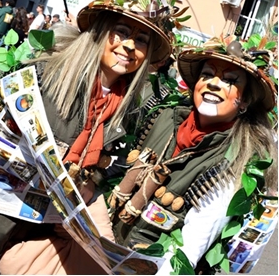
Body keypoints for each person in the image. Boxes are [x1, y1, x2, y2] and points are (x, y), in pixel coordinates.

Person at [0, 0, 182, 275]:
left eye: (142, 40)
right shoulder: (44, 77)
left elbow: (94, 185)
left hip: (24, 249)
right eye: (121, 32)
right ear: (99, 32)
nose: (130, 45)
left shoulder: (125, 114)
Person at [106, 37, 276, 273]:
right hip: (102, 242)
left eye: (229, 80)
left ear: (244, 101)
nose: (213, 84)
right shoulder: (163, 116)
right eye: (207, 75)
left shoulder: (232, 162)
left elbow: (189, 247)